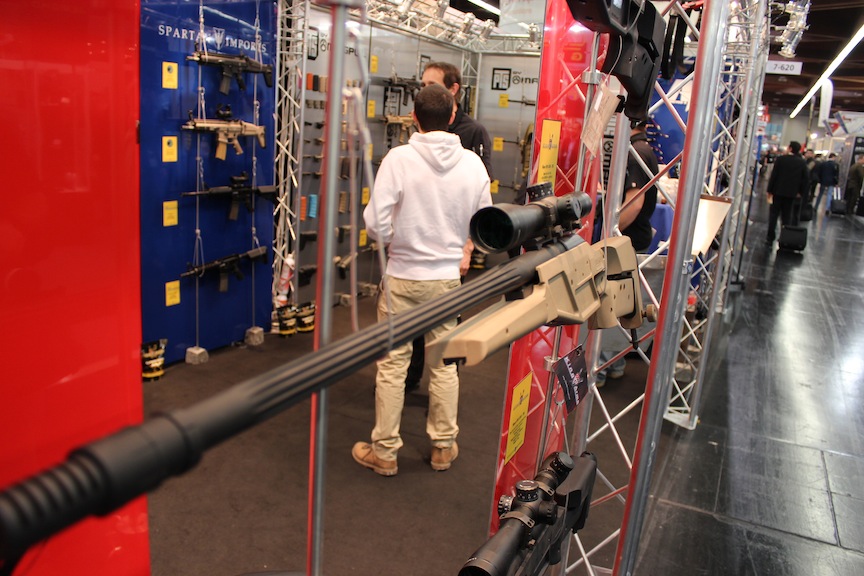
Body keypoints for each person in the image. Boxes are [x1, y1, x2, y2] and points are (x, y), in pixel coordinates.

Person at [353, 84, 492, 476]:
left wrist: (396, 240)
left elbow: (375, 224)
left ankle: (385, 453)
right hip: (446, 280)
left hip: (402, 275)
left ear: (414, 117)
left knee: (393, 366)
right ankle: (443, 448)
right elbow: (484, 222)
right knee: (445, 365)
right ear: (453, 116)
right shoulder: (473, 165)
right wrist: (460, 249)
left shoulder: (398, 159)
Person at [402, 61, 495, 393]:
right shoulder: (417, 135)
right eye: (422, 85)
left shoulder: (473, 133)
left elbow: (480, 201)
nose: (423, 91)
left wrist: (467, 249)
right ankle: (409, 378)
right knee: (408, 327)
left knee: (446, 330)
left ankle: (443, 391)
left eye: (431, 84)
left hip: (451, 253)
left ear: (453, 90)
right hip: (416, 253)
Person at [596, 119, 659, 388]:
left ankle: (601, 368)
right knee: (621, 302)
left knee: (610, 303)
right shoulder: (642, 149)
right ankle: (614, 364)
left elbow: (634, 202)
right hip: (632, 239)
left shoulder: (636, 151)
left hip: (625, 241)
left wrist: (610, 233)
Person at [765, 141, 809, 244]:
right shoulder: (802, 162)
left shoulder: (781, 160)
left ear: (790, 148)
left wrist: (769, 190)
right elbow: (805, 179)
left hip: (778, 192)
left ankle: (770, 237)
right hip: (791, 194)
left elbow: (774, 176)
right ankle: (784, 237)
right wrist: (800, 192)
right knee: (787, 216)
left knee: (773, 215)